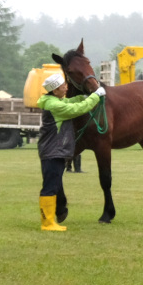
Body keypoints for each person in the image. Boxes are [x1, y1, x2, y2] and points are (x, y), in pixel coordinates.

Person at [36, 71, 105, 232]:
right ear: (55, 90)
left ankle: (50, 220)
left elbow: (71, 102)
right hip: (53, 151)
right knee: (50, 187)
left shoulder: (53, 101)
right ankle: (47, 223)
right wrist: (95, 96)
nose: (66, 87)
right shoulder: (55, 105)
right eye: (63, 86)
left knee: (53, 185)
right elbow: (77, 109)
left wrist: (84, 96)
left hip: (53, 151)